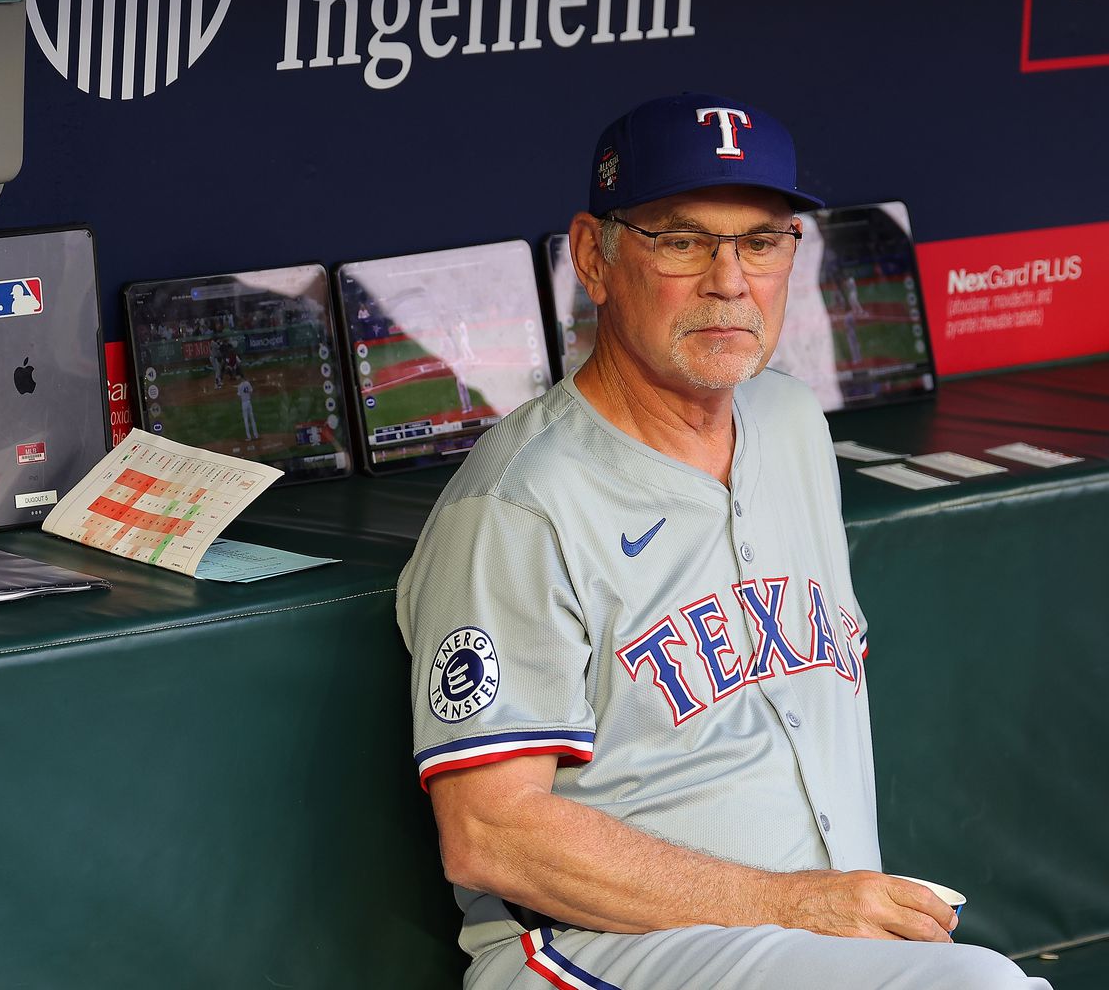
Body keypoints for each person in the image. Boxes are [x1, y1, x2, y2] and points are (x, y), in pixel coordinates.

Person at [397, 93, 1050, 990]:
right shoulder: (519, 504)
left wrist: (813, 915)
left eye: (762, 241)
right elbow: (491, 835)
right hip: (597, 952)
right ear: (595, 255)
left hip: (807, 944)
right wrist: (793, 904)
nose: (729, 281)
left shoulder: (787, 422)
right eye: (682, 238)